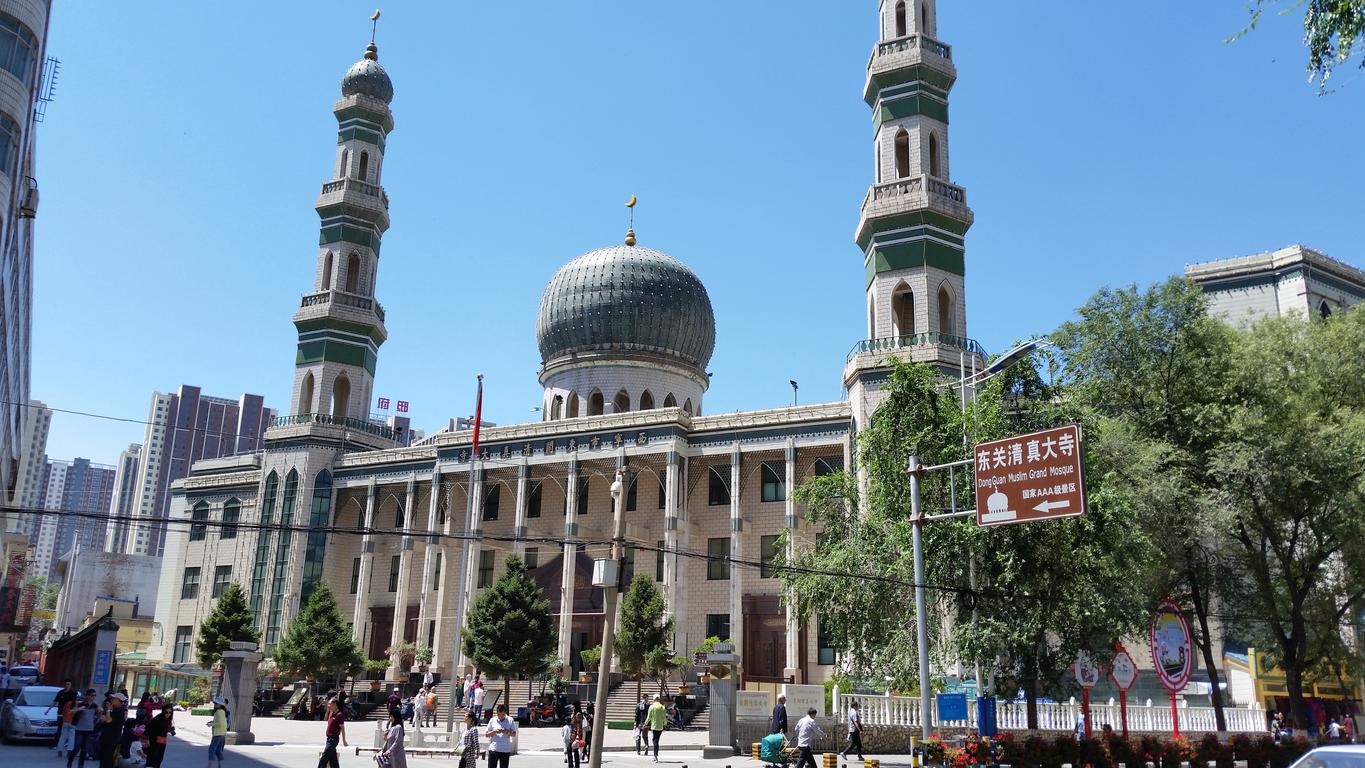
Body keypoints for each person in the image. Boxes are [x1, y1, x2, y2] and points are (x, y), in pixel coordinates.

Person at [99, 692, 130, 768]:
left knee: (107, 758)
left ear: (118, 700)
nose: (111, 700)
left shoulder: (119, 711)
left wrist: (108, 710)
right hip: (107, 737)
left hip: (111, 738)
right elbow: (104, 720)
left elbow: (108, 720)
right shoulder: (115, 709)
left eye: (113, 698)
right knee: (104, 758)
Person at [317, 697, 348, 768]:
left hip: (333, 740)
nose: (328, 706)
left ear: (335, 704)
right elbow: (325, 719)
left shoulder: (339, 715)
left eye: (330, 704)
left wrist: (344, 741)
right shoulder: (331, 714)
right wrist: (328, 711)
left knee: (323, 759)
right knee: (333, 761)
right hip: (328, 739)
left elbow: (342, 729)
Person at [484, 703, 517, 768]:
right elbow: (486, 734)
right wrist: (494, 731)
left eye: (503, 715)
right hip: (494, 749)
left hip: (505, 750)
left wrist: (506, 731)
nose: (501, 716)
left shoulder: (510, 719)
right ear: (497, 713)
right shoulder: (492, 720)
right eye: (499, 714)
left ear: (505, 713)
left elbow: (514, 734)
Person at [143, 703, 172, 768]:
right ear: (163, 711)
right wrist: (147, 740)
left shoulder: (167, 719)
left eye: (170, 712)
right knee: (153, 757)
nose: (168, 714)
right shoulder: (158, 719)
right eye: (166, 712)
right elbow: (148, 729)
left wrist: (169, 729)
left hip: (162, 739)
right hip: (154, 740)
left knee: (159, 757)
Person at [207, 695, 229, 768]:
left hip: (218, 734)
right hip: (222, 734)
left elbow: (220, 723)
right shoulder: (223, 712)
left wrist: (211, 724)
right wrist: (213, 722)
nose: (215, 704)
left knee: (211, 750)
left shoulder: (219, 711)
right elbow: (224, 723)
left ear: (220, 704)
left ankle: (209, 766)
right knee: (218, 751)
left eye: (216, 703)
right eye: (215, 703)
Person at [646, 694, 667, 763]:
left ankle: (655, 756)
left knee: (655, 740)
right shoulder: (662, 707)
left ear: (654, 699)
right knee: (657, 740)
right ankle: (656, 755)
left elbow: (649, 717)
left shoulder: (651, 707)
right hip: (660, 727)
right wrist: (665, 724)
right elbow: (664, 717)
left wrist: (645, 724)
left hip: (654, 726)